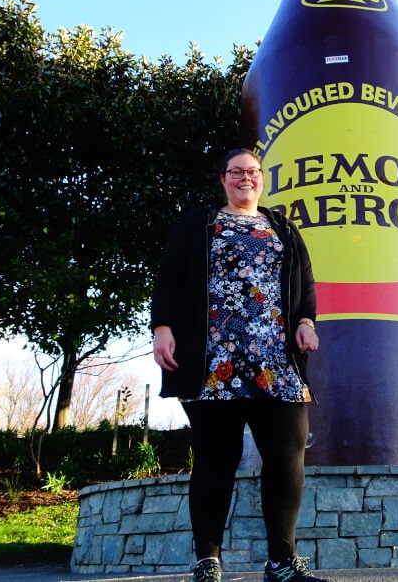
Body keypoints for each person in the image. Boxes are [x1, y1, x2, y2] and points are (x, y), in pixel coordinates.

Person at [151, 148, 331, 582]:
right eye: (237, 172)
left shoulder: (283, 227)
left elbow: (305, 282)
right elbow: (169, 278)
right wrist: (162, 328)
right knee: (215, 459)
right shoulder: (198, 224)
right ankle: (207, 560)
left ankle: (282, 562)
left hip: (276, 362)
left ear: (263, 179)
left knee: (288, 458)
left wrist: (306, 322)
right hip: (215, 363)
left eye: (253, 172)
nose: (245, 178)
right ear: (223, 179)